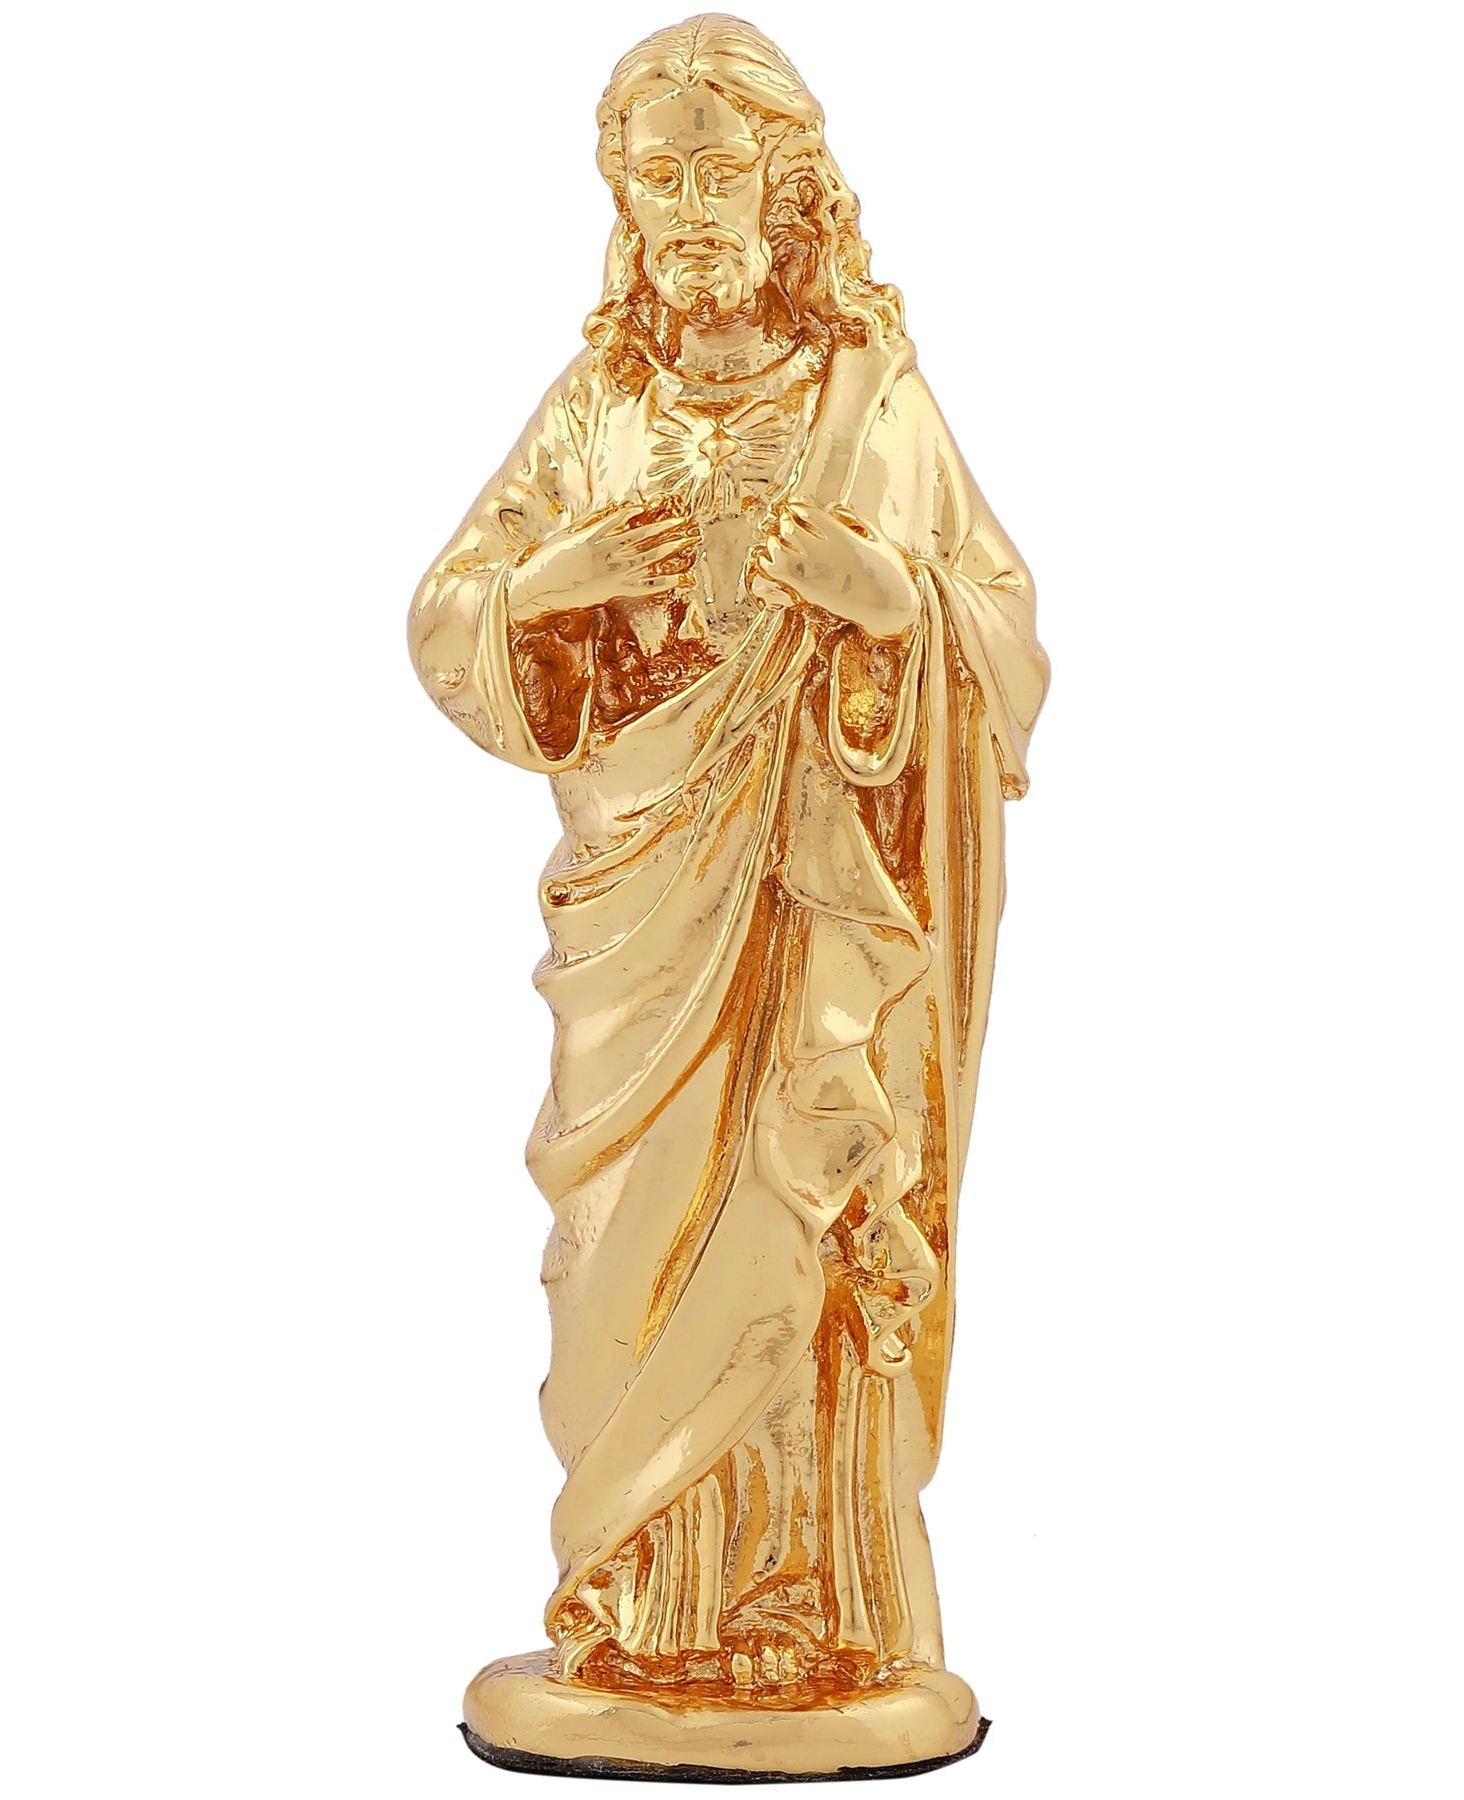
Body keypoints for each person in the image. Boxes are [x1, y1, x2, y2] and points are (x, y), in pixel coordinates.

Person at [410, 12, 1048, 1721]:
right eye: (653, 177)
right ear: (621, 200)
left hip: (807, 896)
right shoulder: (597, 406)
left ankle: (796, 1606)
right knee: (620, 1249)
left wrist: (888, 601)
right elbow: (450, 607)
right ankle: (642, 1597)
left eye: (715, 171)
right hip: (640, 906)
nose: (685, 208)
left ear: (787, 186)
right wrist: (551, 589)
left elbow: (1002, 635)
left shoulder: (872, 403)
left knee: (793, 1218)